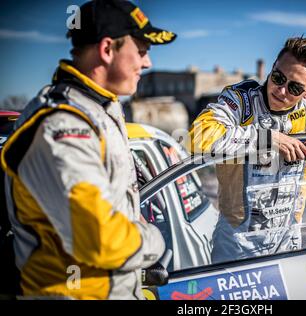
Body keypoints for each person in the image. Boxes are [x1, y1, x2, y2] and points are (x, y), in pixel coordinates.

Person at [0, 0, 176, 299]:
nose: (147, 64)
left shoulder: (99, 110)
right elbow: (99, 240)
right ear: (108, 50)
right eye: (142, 51)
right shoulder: (62, 126)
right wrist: (155, 240)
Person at [188, 37, 306, 263]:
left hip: (288, 237)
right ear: (272, 68)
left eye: (295, 88)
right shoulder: (241, 101)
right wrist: (268, 138)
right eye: (278, 77)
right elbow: (198, 137)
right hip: (237, 240)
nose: (281, 90)